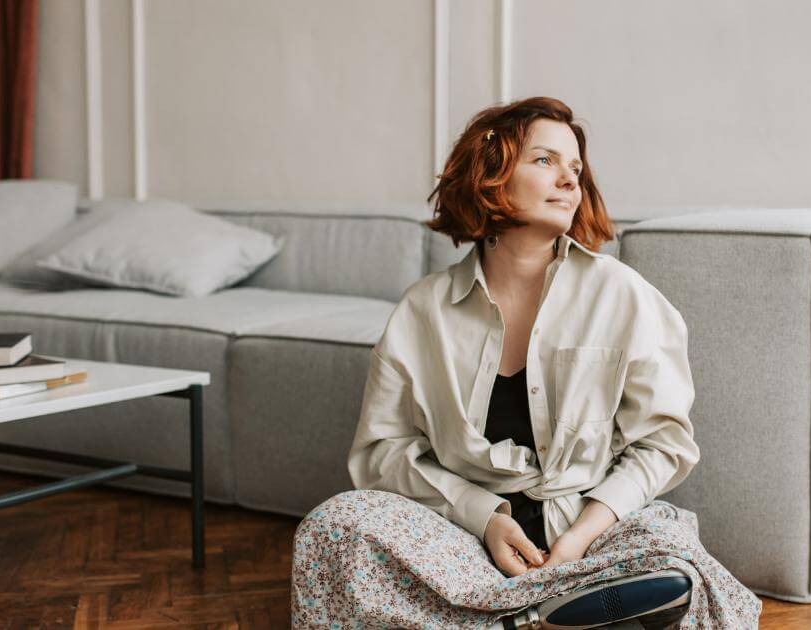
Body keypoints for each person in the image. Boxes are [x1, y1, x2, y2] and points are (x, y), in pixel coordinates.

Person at [291, 97, 760, 629]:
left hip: (590, 531)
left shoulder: (623, 295)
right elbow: (383, 452)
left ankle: (516, 617)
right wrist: (485, 518)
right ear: (490, 174)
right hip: (464, 537)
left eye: (576, 169)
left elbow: (663, 444)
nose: (569, 180)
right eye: (545, 161)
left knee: (675, 557)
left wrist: (580, 537)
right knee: (335, 526)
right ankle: (540, 617)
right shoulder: (423, 310)